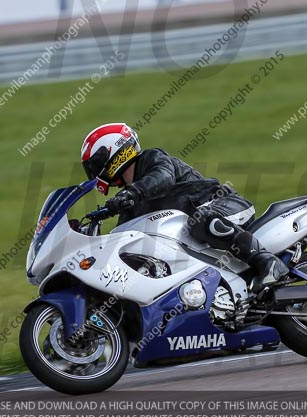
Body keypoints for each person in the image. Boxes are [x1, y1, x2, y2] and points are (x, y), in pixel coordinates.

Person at [80, 122, 287, 293]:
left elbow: (163, 178)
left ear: (114, 154)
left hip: (226, 205)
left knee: (201, 219)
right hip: (195, 236)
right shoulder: (129, 203)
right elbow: (125, 240)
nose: (94, 173)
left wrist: (133, 193)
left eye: (95, 165)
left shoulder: (152, 160)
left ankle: (268, 262)